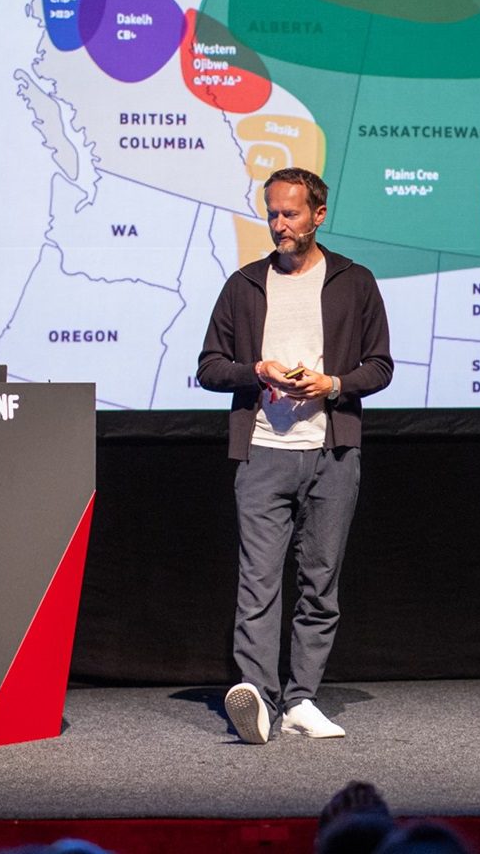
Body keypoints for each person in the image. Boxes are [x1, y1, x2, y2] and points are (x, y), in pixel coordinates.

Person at [198, 166, 392, 743]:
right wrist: (257, 370)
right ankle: (258, 698)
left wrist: (333, 384)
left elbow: (381, 366)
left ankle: (302, 699)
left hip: (332, 454)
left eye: (291, 213)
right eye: (272, 213)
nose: (279, 224)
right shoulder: (244, 285)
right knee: (258, 584)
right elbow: (209, 367)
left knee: (320, 582)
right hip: (262, 452)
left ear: (318, 215)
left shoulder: (354, 282)